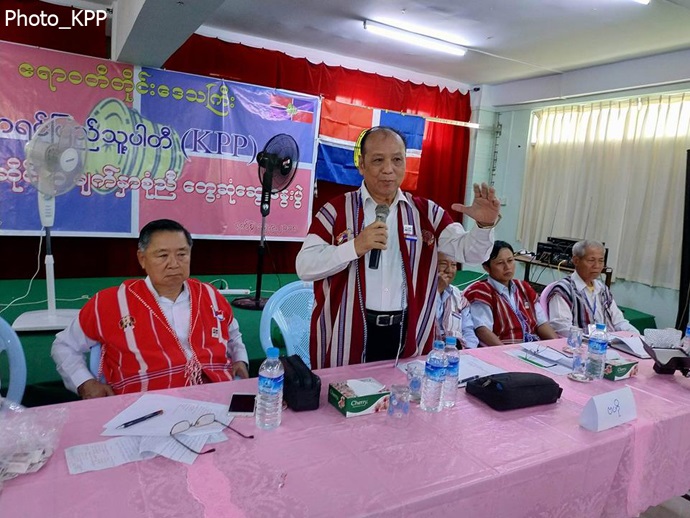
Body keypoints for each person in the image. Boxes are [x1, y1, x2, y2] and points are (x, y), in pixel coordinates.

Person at [296, 126, 500, 368]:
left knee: (403, 391)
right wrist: (355, 247)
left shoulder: (427, 213)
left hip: (408, 331)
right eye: (378, 160)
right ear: (361, 164)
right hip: (345, 332)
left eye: (396, 160)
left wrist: (483, 226)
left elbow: (470, 252)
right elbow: (304, 267)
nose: (388, 169)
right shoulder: (336, 210)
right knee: (345, 390)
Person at [51, 219, 249, 398]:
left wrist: (240, 358)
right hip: (143, 405)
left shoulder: (210, 295)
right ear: (142, 259)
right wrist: (85, 382)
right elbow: (64, 346)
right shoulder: (110, 302)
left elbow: (232, 334)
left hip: (216, 397)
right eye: (162, 255)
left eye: (182, 254)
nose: (174, 264)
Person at [465, 240, 558, 345]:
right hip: (502, 348)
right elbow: (482, 330)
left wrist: (557, 345)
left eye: (510, 261)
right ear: (486, 267)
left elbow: (541, 323)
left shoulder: (524, 288)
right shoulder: (481, 292)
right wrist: (505, 351)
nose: (507, 267)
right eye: (500, 263)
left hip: (532, 347)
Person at [546, 239, 637, 335]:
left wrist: (635, 334)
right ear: (576, 261)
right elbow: (561, 327)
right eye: (591, 260)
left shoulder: (602, 289)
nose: (597, 266)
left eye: (601, 261)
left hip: (608, 340)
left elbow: (619, 321)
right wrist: (591, 338)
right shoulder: (563, 290)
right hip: (582, 341)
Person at [436, 252, 479, 349]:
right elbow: (426, 321)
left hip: (455, 351)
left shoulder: (458, 296)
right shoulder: (420, 294)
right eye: (443, 264)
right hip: (430, 352)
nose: (449, 270)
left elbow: (468, 330)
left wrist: (468, 351)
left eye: (453, 265)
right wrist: (438, 291)